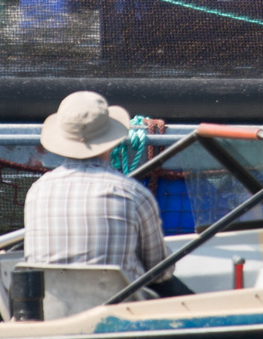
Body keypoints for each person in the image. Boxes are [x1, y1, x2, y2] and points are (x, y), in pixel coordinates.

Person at [23, 90, 189, 297]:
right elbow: (160, 271)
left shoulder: (38, 191)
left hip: (51, 307)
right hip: (123, 309)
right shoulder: (133, 193)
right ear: (111, 139)